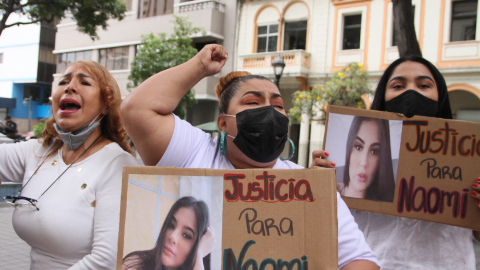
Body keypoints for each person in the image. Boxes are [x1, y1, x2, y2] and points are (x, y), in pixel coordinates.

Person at [120, 44, 379, 270]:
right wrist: (199, 66)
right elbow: (136, 109)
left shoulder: (310, 185)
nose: (269, 111)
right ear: (223, 123)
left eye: (278, 106)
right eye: (253, 103)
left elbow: (359, 260)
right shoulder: (195, 152)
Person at [312, 56, 477, 269]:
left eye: (424, 85)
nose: (411, 93)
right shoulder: (352, 178)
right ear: (383, 94)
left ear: (440, 96)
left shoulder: (469, 158)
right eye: (398, 85)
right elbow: (323, 230)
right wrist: (317, 188)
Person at [0, 60, 137, 269]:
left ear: (106, 104)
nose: (70, 87)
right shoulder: (38, 152)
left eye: (85, 82)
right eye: (64, 81)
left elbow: (106, 260)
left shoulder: (118, 164)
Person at [123, 196, 215, 270]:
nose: (172, 237)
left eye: (186, 235)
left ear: (197, 246)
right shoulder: (135, 264)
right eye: (171, 225)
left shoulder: (198, 260)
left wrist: (198, 256)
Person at [339, 116, 395, 202]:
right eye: (358, 147)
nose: (364, 163)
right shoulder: (328, 190)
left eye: (374, 151)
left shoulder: (387, 208)